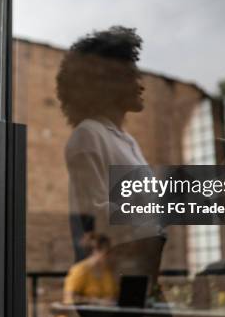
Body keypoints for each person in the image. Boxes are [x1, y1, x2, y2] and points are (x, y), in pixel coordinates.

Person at [57, 26, 167, 281]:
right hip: (112, 278)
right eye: (131, 77)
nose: (141, 86)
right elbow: (95, 213)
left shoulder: (127, 141)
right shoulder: (88, 135)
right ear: (106, 83)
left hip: (141, 270)